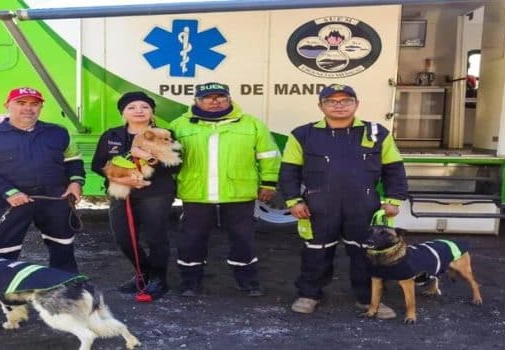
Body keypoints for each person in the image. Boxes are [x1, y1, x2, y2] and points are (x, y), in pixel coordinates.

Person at [278, 84, 408, 318]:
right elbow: (289, 171)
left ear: (356, 104)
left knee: (366, 253)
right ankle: (309, 295)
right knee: (316, 252)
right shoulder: (302, 134)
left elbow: (394, 169)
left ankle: (369, 299)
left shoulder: (377, 133)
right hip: (318, 206)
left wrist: (394, 199)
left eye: (346, 101)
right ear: (321, 106)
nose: (339, 106)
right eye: (331, 101)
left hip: (364, 205)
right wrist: (293, 201)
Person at [170, 82, 281, 297]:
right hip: (196, 193)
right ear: (196, 100)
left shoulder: (251, 124)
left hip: (239, 193)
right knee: (192, 239)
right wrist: (171, 185)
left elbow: (268, 155)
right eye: (208, 97)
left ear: (229, 99)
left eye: (220, 97)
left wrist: (268, 183)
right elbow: (169, 160)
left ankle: (248, 281)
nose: (214, 101)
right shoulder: (179, 126)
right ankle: (190, 282)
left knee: (243, 238)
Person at [0, 87, 85, 273]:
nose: (28, 108)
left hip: (54, 198)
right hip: (7, 201)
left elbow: (73, 160)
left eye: (34, 104)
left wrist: (76, 182)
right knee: (0, 250)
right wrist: (9, 192)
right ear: (7, 105)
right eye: (21, 103)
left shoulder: (59, 133)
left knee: (62, 246)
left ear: (41, 107)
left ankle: (66, 288)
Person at [91, 91, 179, 299]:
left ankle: (158, 279)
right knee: (124, 238)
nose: (138, 111)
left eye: (144, 107)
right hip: (121, 192)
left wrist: (148, 157)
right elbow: (97, 164)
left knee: (155, 237)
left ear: (152, 111)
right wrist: (120, 177)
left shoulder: (164, 134)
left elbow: (174, 166)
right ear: (123, 113)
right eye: (131, 107)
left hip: (155, 193)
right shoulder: (111, 135)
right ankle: (143, 273)